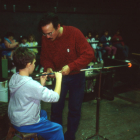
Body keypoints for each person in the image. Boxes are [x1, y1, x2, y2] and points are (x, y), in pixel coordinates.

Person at [39, 12, 95, 140]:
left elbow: (89, 54)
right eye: (44, 34)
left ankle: (70, 136)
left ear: (58, 26)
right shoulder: (46, 38)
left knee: (74, 109)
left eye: (50, 33)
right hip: (59, 79)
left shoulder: (74, 33)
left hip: (76, 77)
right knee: (56, 108)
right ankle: (56, 136)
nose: (47, 37)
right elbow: (45, 57)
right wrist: (49, 68)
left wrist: (71, 66)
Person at [8, 47, 64, 140]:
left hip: (15, 118)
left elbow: (28, 93)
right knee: (58, 129)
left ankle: (36, 135)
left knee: (43, 113)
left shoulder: (14, 77)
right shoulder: (31, 85)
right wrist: (59, 78)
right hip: (25, 124)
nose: (34, 65)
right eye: (34, 63)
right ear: (29, 65)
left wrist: (41, 85)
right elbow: (55, 97)